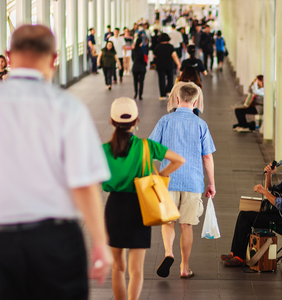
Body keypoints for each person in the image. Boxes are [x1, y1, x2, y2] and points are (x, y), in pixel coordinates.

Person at [0, 24, 112, 299]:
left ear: (8, 56)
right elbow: (84, 184)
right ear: (54, 58)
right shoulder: (68, 108)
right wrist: (100, 241)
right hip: (55, 241)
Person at [103, 97, 184, 300]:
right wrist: (161, 175)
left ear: (112, 121)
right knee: (136, 269)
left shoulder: (104, 150)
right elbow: (179, 160)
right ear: (136, 121)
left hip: (114, 207)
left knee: (118, 267)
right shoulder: (146, 146)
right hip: (140, 207)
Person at [149, 83, 216, 279]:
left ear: (177, 99)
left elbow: (151, 150)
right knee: (186, 225)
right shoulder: (200, 124)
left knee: (168, 222)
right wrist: (211, 183)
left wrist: (156, 173)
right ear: (195, 101)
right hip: (193, 181)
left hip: (168, 180)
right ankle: (184, 268)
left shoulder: (165, 121)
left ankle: (169, 252)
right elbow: (207, 157)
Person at [222, 146, 282, 267]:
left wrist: (263, 192)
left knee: (246, 217)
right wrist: (268, 175)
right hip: (280, 214)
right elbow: (272, 190)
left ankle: (239, 257)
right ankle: (236, 254)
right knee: (246, 212)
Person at [153, 33, 181, 100]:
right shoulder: (170, 46)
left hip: (160, 65)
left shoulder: (157, 46)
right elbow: (174, 56)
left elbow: (154, 56)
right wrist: (178, 64)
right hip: (169, 65)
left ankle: (162, 95)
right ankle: (168, 91)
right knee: (170, 78)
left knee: (161, 79)